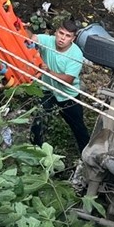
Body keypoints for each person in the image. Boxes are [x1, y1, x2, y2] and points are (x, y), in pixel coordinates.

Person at [29, 20, 90, 151]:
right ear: (56, 32)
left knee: (78, 127)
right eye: (61, 33)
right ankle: (35, 152)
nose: (62, 38)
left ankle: (86, 154)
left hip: (67, 95)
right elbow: (31, 38)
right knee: (38, 122)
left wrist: (49, 72)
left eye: (67, 36)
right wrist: (32, 44)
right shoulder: (48, 40)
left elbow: (68, 79)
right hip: (47, 90)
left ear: (73, 39)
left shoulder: (76, 54)